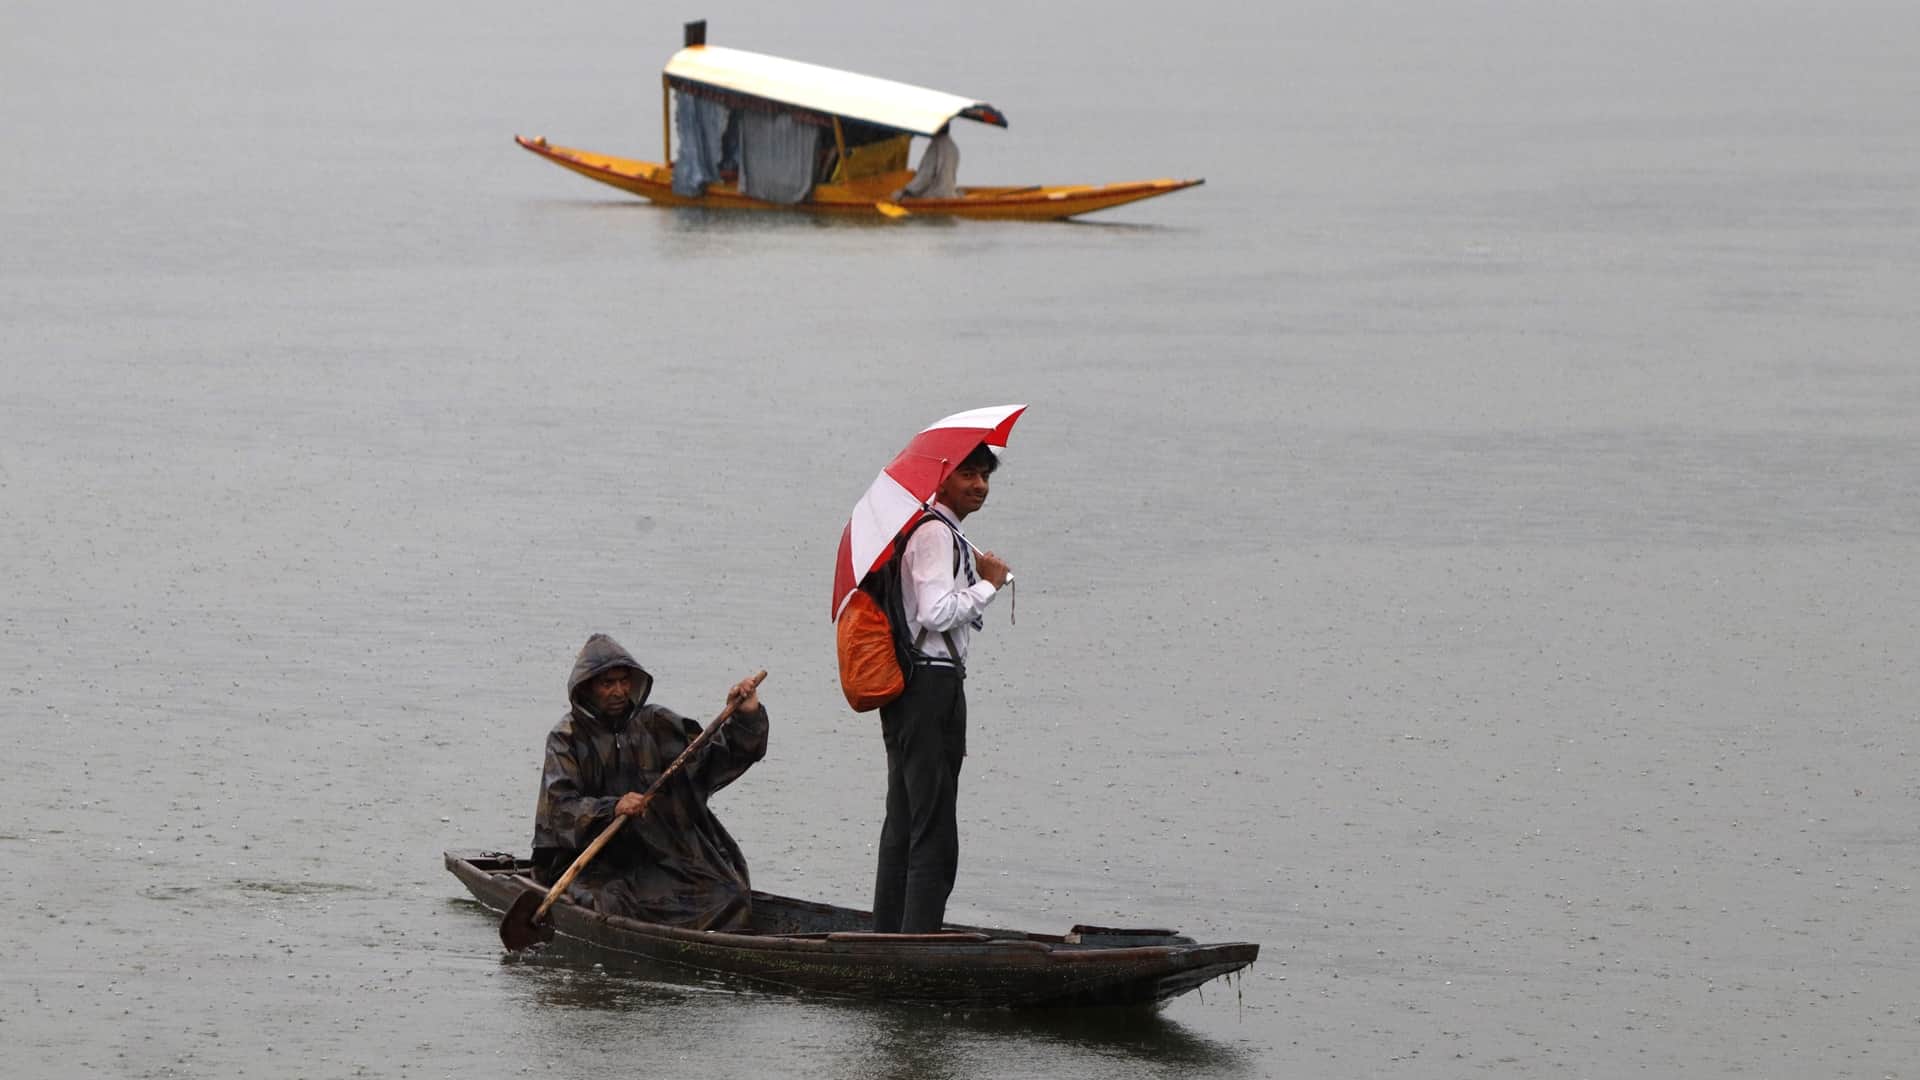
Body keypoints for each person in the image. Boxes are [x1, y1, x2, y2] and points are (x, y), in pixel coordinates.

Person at [531, 633, 769, 931]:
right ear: (588, 688)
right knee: (608, 905)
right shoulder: (566, 738)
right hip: (593, 864)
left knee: (728, 894)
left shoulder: (657, 723)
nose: (618, 691)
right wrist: (613, 807)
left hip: (659, 858)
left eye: (623, 681)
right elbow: (560, 810)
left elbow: (711, 758)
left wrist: (746, 717)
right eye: (607, 684)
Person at [872, 442, 1012, 933]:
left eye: (985, 477)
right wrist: (988, 586)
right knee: (933, 829)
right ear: (942, 477)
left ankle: (889, 934)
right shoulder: (934, 534)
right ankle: (916, 944)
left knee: (906, 819)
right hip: (929, 686)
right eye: (968, 474)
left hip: (916, 688)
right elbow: (935, 612)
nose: (979, 486)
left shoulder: (936, 530)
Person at [895, 124, 960, 200]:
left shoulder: (936, 145)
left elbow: (926, 176)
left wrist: (907, 191)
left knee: (896, 196)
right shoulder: (953, 147)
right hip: (949, 194)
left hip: (935, 195)